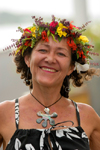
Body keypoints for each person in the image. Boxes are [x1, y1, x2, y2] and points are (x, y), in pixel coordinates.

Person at [0, 15, 100, 150]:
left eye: (61, 54)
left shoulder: (87, 116)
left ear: (71, 67)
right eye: (43, 50)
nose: (51, 59)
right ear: (28, 59)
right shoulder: (4, 113)